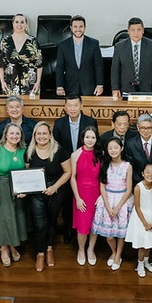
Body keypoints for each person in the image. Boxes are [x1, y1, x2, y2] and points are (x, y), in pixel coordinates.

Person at [24, 121, 72, 272]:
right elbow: (26, 174)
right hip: (36, 193)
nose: (42, 136)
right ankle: (40, 254)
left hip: (55, 190)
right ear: (34, 136)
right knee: (39, 224)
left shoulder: (59, 150)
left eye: (44, 133)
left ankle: (49, 249)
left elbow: (68, 172)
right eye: (38, 134)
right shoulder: (29, 151)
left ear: (50, 135)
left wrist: (55, 187)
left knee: (51, 222)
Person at [53, 95, 99, 243]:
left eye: (75, 105)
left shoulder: (90, 121)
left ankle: (86, 230)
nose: (72, 108)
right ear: (65, 107)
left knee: (86, 202)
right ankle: (69, 229)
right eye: (69, 106)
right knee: (67, 201)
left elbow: (93, 142)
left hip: (85, 165)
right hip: (66, 167)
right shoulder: (59, 123)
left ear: (81, 106)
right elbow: (56, 147)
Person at [0, 123, 27, 267]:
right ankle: (3, 248)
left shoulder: (23, 150)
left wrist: (25, 189)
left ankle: (13, 245)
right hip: (1, 186)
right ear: (6, 135)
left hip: (18, 188)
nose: (14, 136)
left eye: (17, 134)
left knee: (16, 217)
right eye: (12, 133)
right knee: (4, 218)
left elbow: (27, 171)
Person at [92, 137, 134, 271]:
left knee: (120, 232)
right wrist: (108, 206)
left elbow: (129, 189)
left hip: (122, 199)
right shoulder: (104, 164)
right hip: (108, 199)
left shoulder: (127, 166)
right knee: (109, 235)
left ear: (121, 148)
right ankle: (113, 251)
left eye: (116, 147)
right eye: (110, 148)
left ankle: (118, 255)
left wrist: (118, 207)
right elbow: (102, 187)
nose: (113, 150)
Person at [70, 126, 102, 266]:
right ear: (83, 138)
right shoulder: (75, 155)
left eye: (93, 137)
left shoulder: (100, 153)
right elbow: (72, 177)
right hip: (81, 193)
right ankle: (81, 250)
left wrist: (102, 197)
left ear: (96, 139)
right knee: (83, 226)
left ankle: (91, 249)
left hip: (97, 192)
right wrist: (77, 198)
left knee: (95, 225)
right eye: (87, 137)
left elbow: (103, 176)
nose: (90, 140)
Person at [111, 17, 152, 98]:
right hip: (126, 89)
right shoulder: (119, 46)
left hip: (147, 88)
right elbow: (115, 70)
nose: (136, 33)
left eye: (139, 30)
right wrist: (115, 88)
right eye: (133, 30)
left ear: (143, 30)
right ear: (128, 31)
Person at [125, 162, 152, 278]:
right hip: (141, 218)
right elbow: (137, 207)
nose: (150, 175)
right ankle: (140, 264)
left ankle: (146, 262)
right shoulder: (138, 188)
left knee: (149, 243)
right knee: (142, 244)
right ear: (142, 173)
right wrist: (145, 223)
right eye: (147, 172)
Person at [56, 15, 104, 96]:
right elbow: (60, 67)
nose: (78, 29)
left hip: (89, 86)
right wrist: (59, 86)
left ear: (85, 27)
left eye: (81, 26)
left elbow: (98, 66)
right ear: (71, 28)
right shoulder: (63, 45)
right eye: (75, 27)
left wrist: (100, 85)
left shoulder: (94, 43)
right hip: (70, 86)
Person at [0, 13, 43, 95]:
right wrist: (2, 82)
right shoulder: (5, 41)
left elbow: (39, 63)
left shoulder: (33, 41)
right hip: (11, 81)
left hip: (30, 82)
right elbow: (0, 63)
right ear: (13, 24)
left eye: (22, 22)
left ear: (26, 24)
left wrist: (38, 82)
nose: (19, 25)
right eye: (17, 22)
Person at [126, 114, 152, 186]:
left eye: (149, 128)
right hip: (138, 184)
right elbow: (131, 167)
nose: (146, 131)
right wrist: (143, 183)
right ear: (138, 127)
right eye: (143, 128)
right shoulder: (131, 143)